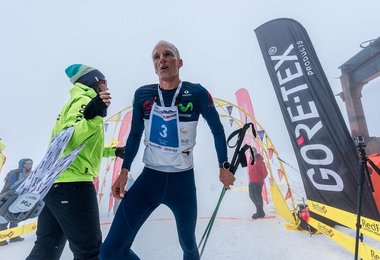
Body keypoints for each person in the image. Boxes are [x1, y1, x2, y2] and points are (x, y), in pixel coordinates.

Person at [100, 41, 236, 260]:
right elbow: (134, 135)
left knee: (188, 245)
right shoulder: (143, 94)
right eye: (156, 57)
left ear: (179, 62)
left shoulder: (197, 92)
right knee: (110, 251)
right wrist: (124, 171)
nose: (161, 59)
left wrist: (223, 166)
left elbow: (217, 130)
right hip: (149, 179)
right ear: (154, 67)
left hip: (181, 183)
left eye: (167, 54)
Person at [27, 64, 125, 260]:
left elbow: (83, 147)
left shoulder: (78, 101)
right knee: (90, 252)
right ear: (94, 81)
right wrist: (92, 116)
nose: (107, 87)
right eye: (104, 82)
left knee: (46, 249)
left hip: (56, 184)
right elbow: (68, 139)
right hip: (73, 185)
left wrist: (113, 150)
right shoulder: (83, 101)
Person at [0, 158, 33, 246]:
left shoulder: (31, 174)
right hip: (8, 197)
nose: (29, 165)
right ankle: (2, 238)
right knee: (4, 218)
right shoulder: (14, 173)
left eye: (30, 163)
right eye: (26, 163)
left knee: (15, 216)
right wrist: (24, 179)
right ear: (22, 164)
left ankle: (14, 236)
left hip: (20, 198)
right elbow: (11, 186)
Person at [248, 152, 268, 219]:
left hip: (258, 182)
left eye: (253, 151)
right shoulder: (250, 160)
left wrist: (260, 178)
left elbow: (265, 173)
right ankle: (260, 211)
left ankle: (259, 212)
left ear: (255, 152)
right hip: (251, 181)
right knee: (251, 195)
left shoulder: (259, 161)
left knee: (257, 197)